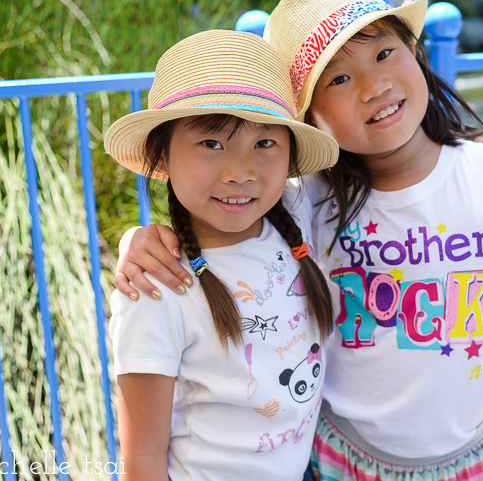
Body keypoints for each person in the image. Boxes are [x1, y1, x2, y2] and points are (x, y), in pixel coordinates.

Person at [117, 0, 483, 481]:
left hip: (474, 461)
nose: (373, 86)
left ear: (415, 51)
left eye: (384, 53)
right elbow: (224, 211)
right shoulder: (306, 199)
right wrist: (139, 240)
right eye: (337, 79)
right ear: (310, 118)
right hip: (341, 463)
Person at [105, 30, 340, 481]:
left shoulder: (291, 211)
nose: (240, 172)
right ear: (163, 156)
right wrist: (134, 238)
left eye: (265, 143)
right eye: (212, 144)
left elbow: (385, 160)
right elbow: (142, 460)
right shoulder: (157, 288)